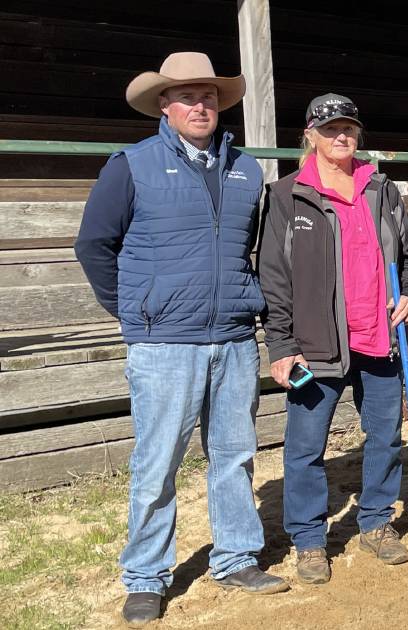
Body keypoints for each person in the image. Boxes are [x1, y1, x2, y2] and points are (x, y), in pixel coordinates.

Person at [74, 52, 288, 627]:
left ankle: (237, 557)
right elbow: (94, 245)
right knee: (157, 463)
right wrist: (135, 312)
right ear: (164, 106)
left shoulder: (247, 172)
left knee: (235, 455)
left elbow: (257, 254)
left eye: (210, 96)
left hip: (235, 338)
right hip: (164, 344)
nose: (201, 105)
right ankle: (146, 576)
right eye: (188, 96)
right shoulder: (131, 166)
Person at [258, 93, 408, 585]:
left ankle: (376, 521)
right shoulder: (288, 195)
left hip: (381, 334)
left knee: (385, 436)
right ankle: (309, 539)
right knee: (306, 446)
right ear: (309, 135)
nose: (342, 136)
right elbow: (273, 277)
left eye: (349, 128)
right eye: (331, 128)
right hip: (315, 344)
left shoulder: (381, 190)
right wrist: (282, 344)